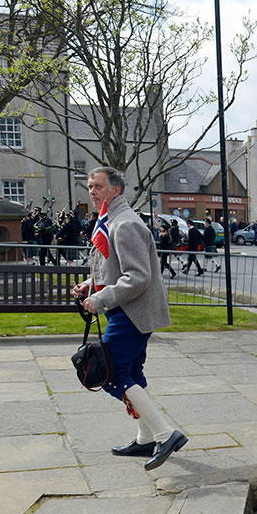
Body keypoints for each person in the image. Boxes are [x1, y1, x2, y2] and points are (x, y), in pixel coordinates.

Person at [71, 167, 186, 471]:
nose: (92, 192)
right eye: (90, 186)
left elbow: (137, 277)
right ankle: (146, 437)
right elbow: (113, 268)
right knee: (132, 369)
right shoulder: (112, 220)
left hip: (132, 311)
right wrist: (90, 285)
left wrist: (99, 298)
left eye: (98, 186)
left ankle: (165, 434)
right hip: (126, 310)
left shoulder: (125, 225)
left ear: (116, 190)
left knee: (110, 374)